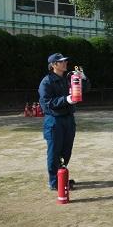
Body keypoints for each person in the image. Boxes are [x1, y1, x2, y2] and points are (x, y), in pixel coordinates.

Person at [38, 53, 89, 191]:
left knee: (66, 151)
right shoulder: (46, 82)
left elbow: (84, 89)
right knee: (54, 152)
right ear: (54, 65)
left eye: (65, 61)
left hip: (68, 119)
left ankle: (62, 177)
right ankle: (54, 182)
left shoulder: (68, 78)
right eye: (61, 61)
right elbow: (46, 104)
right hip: (54, 120)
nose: (65, 63)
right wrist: (66, 99)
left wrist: (83, 78)